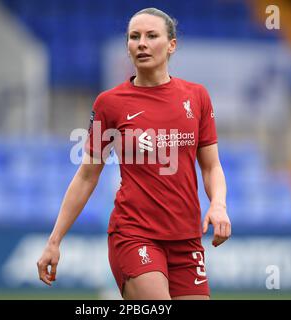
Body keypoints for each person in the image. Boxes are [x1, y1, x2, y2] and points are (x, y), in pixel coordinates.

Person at [37, 7, 231, 300]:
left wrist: (218, 204)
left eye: (152, 36)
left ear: (171, 45)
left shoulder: (197, 97)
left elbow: (211, 167)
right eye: (134, 37)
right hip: (134, 234)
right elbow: (87, 176)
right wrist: (54, 241)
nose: (141, 43)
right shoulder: (110, 104)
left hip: (186, 238)